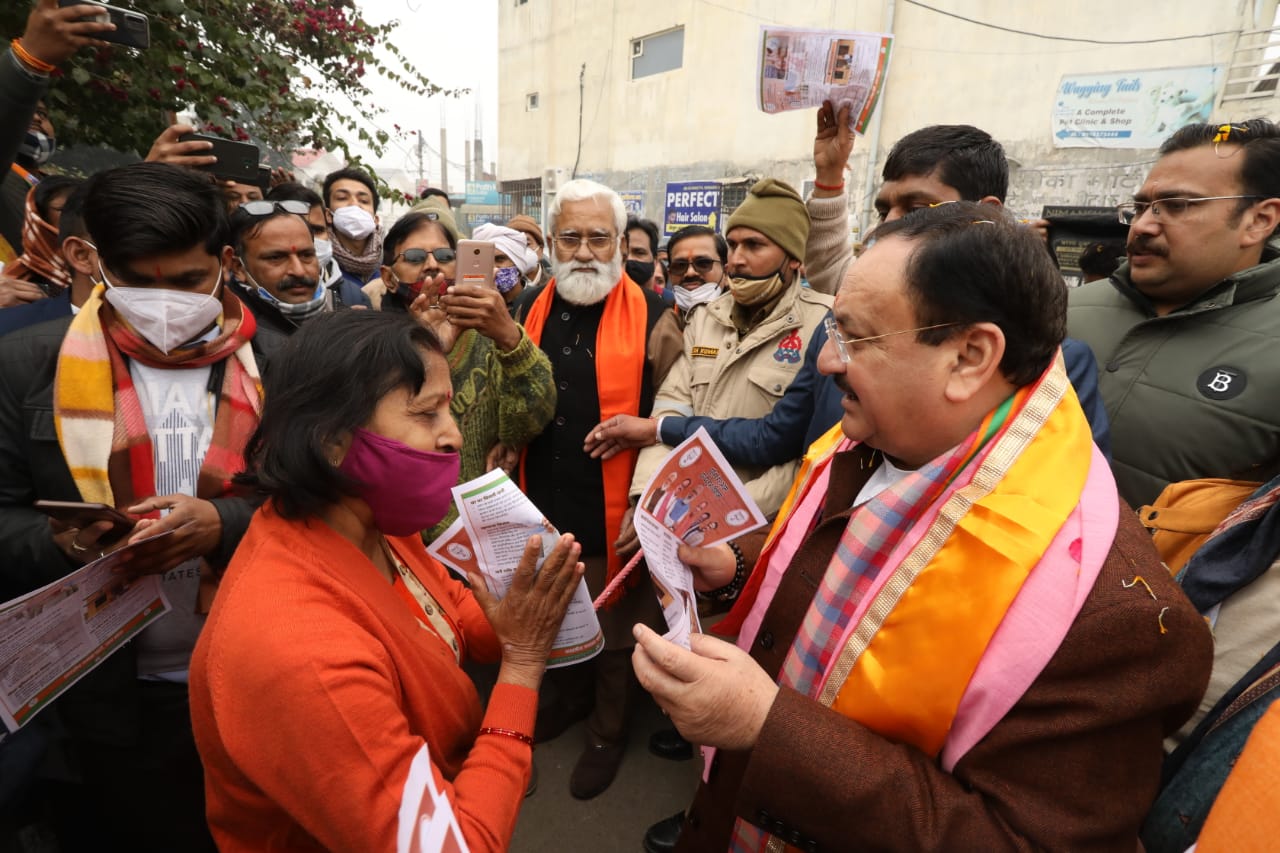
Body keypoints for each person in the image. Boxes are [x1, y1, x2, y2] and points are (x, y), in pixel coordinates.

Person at [633, 202, 1212, 852]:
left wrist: (769, 727)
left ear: (969, 357)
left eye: (854, 337)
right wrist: (739, 564)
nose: (827, 361)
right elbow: (850, 563)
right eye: (832, 330)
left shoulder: (1111, 616)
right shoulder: (881, 434)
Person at [590, 111, 1112, 520]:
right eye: (884, 210)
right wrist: (669, 439)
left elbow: (1043, 520)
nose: (889, 228)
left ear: (975, 357)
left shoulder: (1053, 367)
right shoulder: (829, 334)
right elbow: (783, 441)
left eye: (917, 209)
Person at [189, 309, 583, 851]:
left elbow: (447, 613)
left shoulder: (378, 524)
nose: (454, 436)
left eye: (449, 409)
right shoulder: (300, 654)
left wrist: (523, 614)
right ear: (331, 441)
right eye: (426, 415)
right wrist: (522, 667)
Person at [0, 161, 279, 851]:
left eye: (186, 282)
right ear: (93, 262)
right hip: (97, 695)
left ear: (223, 261)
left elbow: (329, 504)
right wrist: (63, 543)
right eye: (136, 281)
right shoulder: (24, 365)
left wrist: (224, 524)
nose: (163, 302)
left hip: (251, 675)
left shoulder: (284, 363)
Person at [511, 178, 682, 799]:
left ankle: (608, 733)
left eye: (598, 238)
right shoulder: (528, 305)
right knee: (555, 612)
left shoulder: (658, 317)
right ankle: (565, 700)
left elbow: (673, 417)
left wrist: (644, 498)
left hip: (617, 500)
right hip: (543, 491)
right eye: (570, 237)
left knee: (614, 626)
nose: (584, 251)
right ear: (552, 242)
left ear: (619, 243)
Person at [1068, 118, 1280, 508]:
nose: (1144, 226)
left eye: (1177, 206)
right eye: (1140, 207)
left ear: (1258, 221)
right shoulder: (1063, 310)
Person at [627, 178, 832, 528]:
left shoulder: (824, 325)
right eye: (733, 244)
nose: (736, 260)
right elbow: (668, 412)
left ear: (793, 257)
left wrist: (723, 515)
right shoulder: (705, 319)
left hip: (761, 527)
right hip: (681, 519)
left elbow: (813, 453)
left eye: (754, 245)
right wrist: (648, 497)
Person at [378, 207, 556, 541]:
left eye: (444, 255)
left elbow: (532, 419)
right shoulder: (369, 347)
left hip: (485, 538)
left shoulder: (490, 335)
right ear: (389, 277)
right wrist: (419, 353)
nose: (432, 265)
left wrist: (510, 339)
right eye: (415, 256)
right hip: (404, 541)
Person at [0, 0, 111, 271]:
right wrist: (29, 60)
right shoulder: (6, 185)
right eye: (30, 112)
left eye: (44, 114)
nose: (37, 118)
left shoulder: (52, 183)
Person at [0, 179, 96, 336]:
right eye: (66, 209)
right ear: (38, 219)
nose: (82, 217)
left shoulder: (107, 275)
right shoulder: (11, 285)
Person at [265, 180, 372, 309]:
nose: (309, 243)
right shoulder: (244, 303)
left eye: (317, 230)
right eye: (297, 232)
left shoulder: (355, 296)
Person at [0, 174, 78, 294]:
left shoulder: (102, 273)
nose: (78, 217)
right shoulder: (13, 283)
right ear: (39, 219)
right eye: (64, 210)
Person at [323, 166, 383, 289]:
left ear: (375, 220)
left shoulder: (391, 263)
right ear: (328, 215)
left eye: (364, 200)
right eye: (342, 198)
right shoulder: (320, 265)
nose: (354, 204)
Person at [472, 221, 541, 311]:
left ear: (517, 265)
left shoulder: (536, 301)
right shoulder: (476, 303)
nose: (493, 267)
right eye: (486, 261)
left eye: (500, 259)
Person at [508, 213, 547, 286]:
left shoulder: (555, 286)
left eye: (527, 244)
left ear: (540, 250)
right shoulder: (501, 287)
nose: (520, 250)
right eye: (514, 245)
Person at [625, 215, 662, 290]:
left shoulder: (668, 300)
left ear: (655, 261)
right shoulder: (602, 299)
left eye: (639, 253)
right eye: (624, 253)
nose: (629, 258)